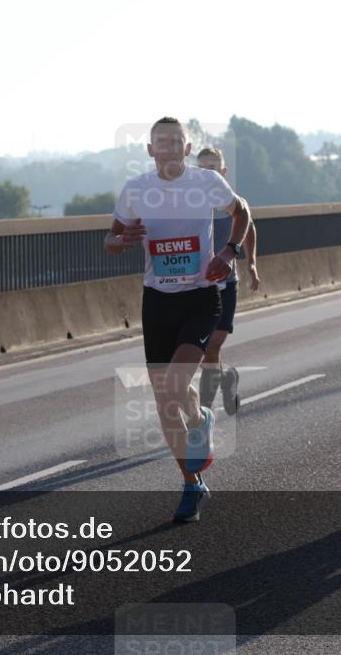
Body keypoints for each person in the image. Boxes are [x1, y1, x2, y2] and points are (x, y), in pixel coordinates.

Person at [106, 117, 249, 523]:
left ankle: (198, 434)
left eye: (176, 141)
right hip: (157, 302)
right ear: (150, 150)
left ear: (187, 149)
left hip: (200, 298)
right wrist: (120, 241)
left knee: (172, 386)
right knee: (165, 398)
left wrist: (229, 252)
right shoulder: (136, 190)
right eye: (161, 142)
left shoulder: (206, 182)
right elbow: (111, 239)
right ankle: (192, 481)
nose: (168, 147)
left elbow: (242, 212)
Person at [194, 147, 261, 415]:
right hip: (198, 286)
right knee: (203, 350)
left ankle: (204, 413)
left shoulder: (233, 203)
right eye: (202, 168)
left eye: (213, 168)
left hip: (226, 284)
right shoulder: (190, 203)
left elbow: (250, 228)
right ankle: (226, 377)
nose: (207, 173)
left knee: (213, 345)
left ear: (223, 172)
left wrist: (252, 263)